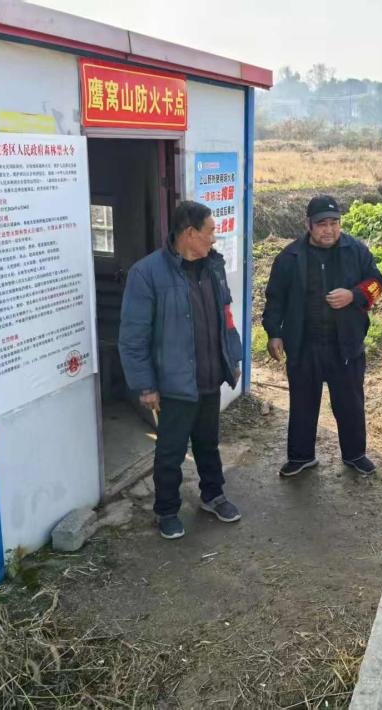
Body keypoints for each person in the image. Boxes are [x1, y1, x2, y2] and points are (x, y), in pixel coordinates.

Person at [119, 200, 244, 540]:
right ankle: (167, 510)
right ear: (189, 233)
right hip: (173, 383)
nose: (214, 239)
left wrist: (232, 357)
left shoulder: (213, 266)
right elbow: (133, 337)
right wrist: (145, 385)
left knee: (208, 443)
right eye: (210, 232)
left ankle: (213, 495)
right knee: (171, 452)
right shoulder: (147, 274)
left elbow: (226, 317)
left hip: (209, 375)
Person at [262, 195, 382, 477]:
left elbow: (378, 282)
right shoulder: (290, 257)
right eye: (322, 224)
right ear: (308, 224)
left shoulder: (356, 251)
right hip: (304, 344)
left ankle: (355, 454)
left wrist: (354, 295)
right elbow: (275, 299)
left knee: (350, 403)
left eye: (334, 223)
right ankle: (301, 457)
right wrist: (274, 333)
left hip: (345, 344)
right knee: (302, 403)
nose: (329, 230)